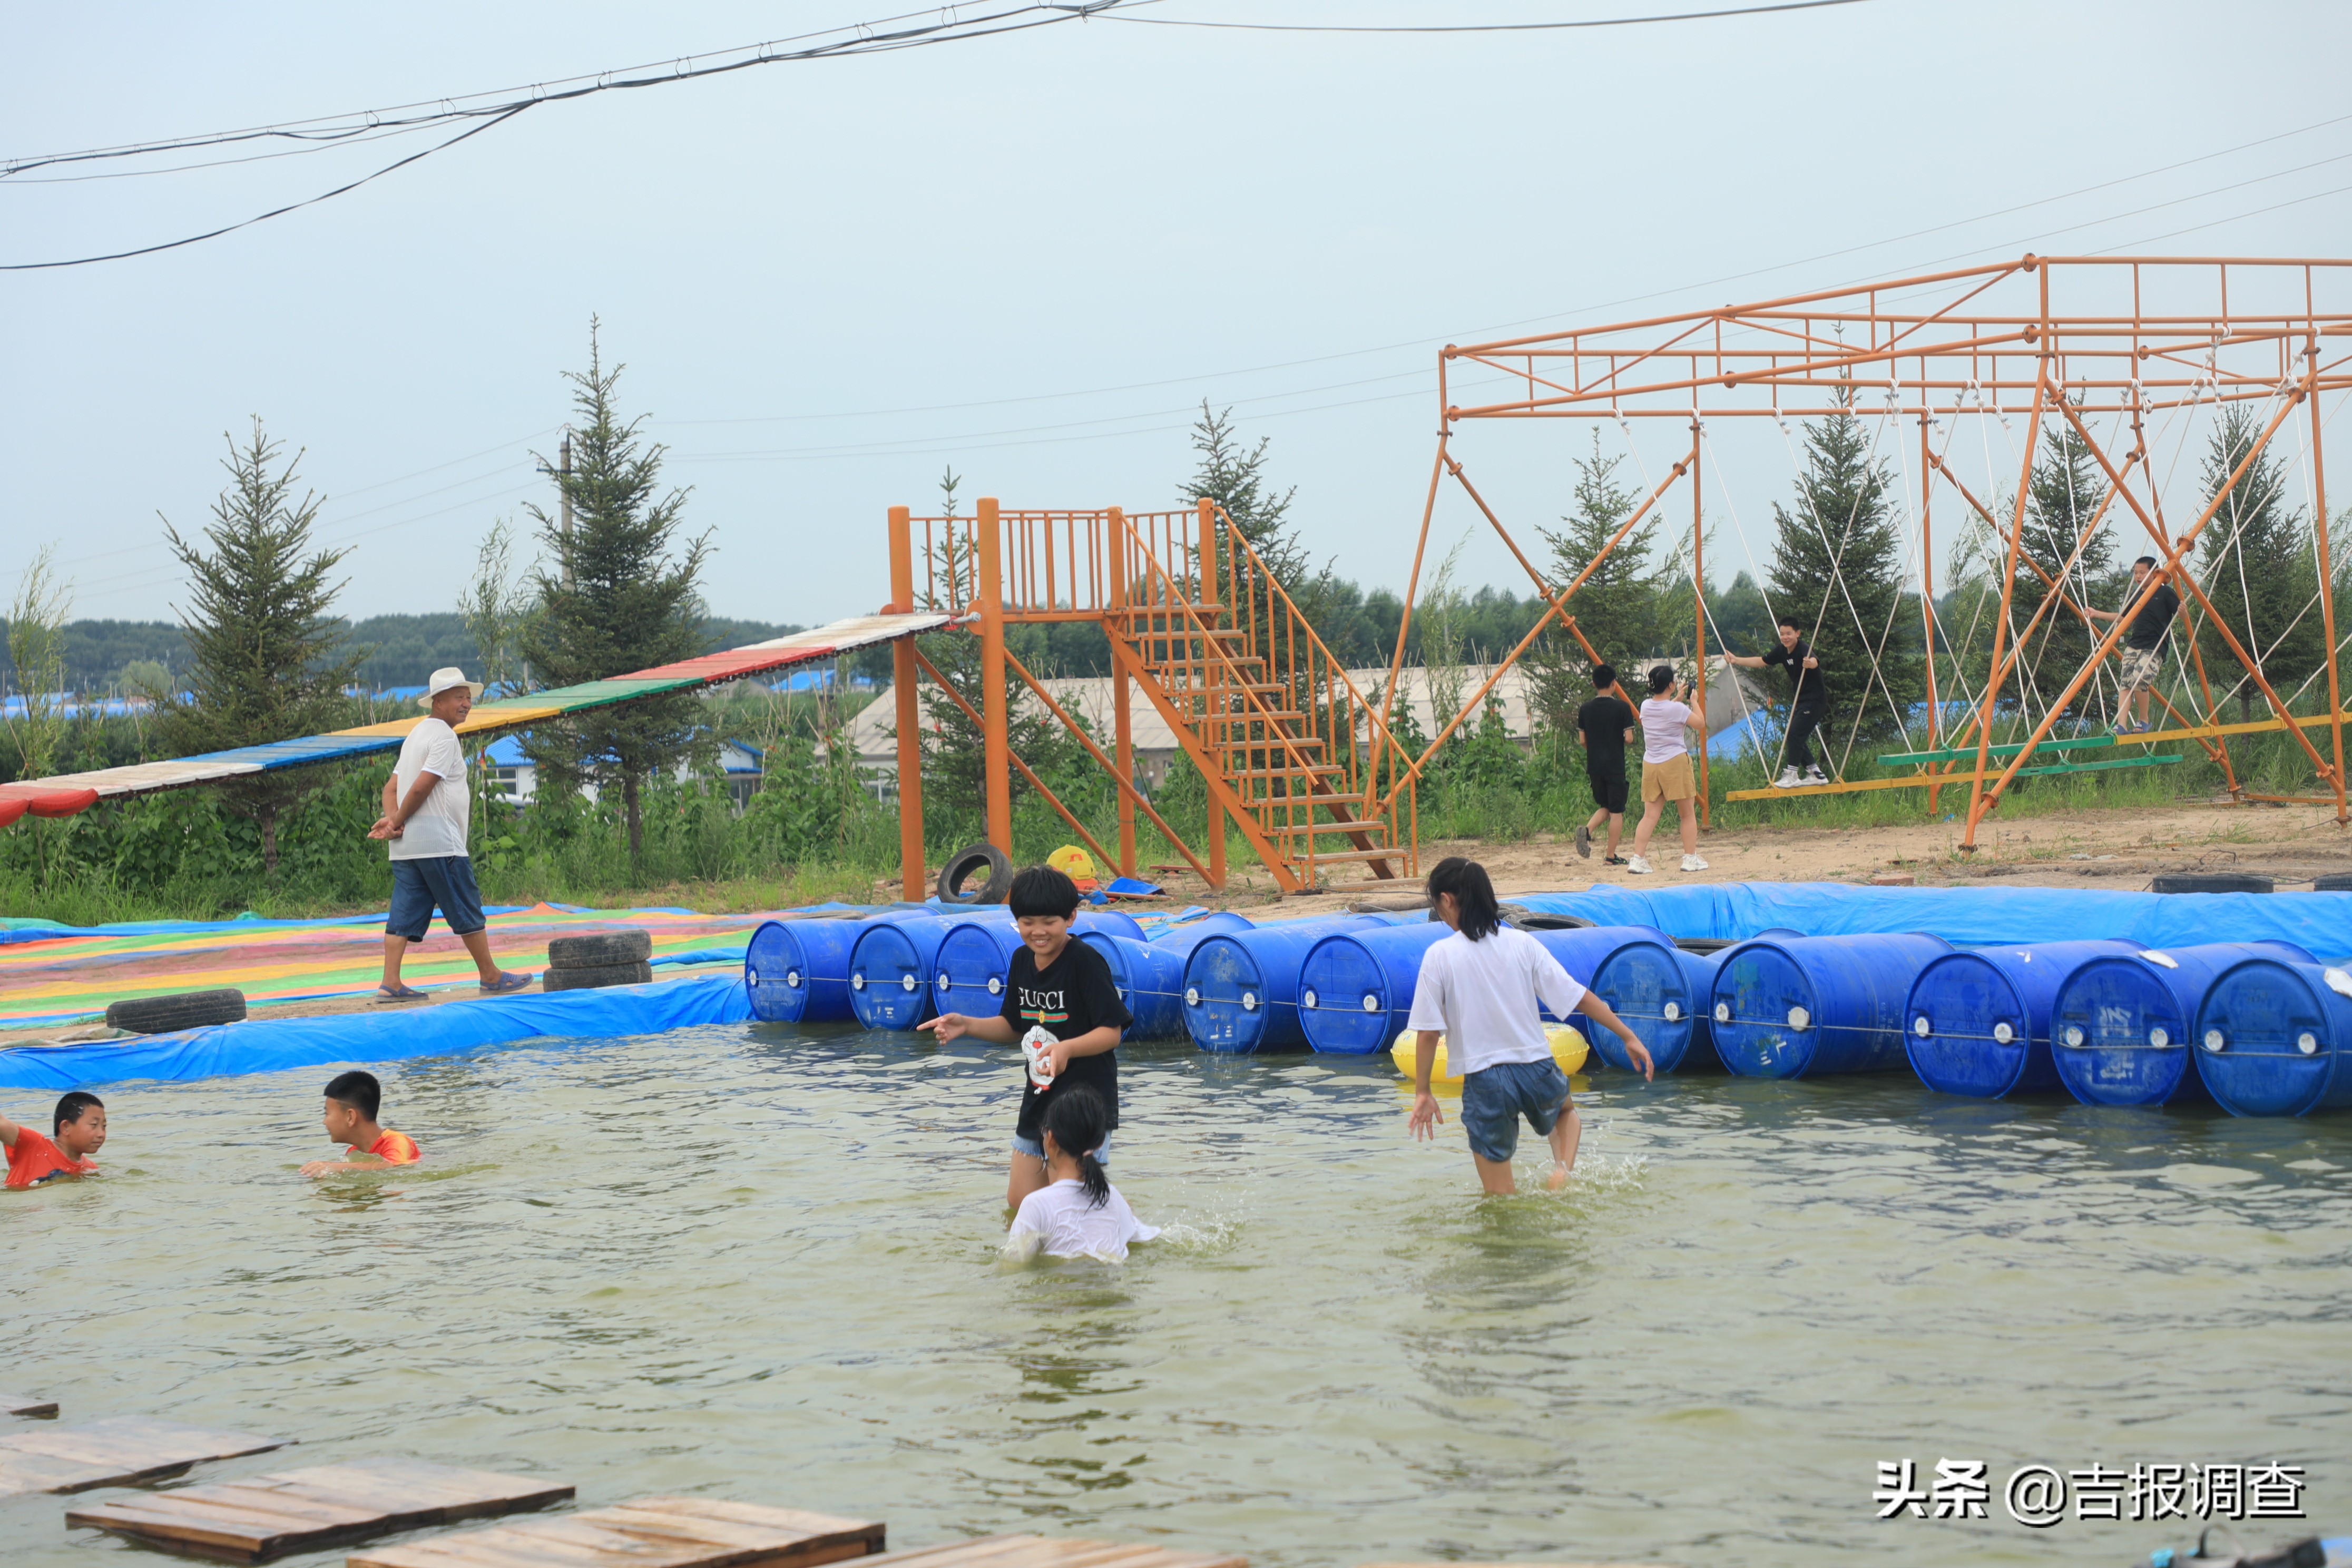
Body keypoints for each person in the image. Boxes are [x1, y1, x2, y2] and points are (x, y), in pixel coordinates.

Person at [1405, 858, 1652, 1194]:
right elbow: (1577, 996)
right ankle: (1561, 1172)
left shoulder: (1440, 955)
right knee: (1566, 1114)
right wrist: (1628, 1035)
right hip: (1536, 1067)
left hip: (1484, 1080)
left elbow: (1429, 1032)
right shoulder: (1522, 944)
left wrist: (1423, 1091)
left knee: (1499, 1196)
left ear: (1447, 900)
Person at [918, 864, 1133, 1209]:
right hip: (1039, 1097)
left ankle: (1114, 1239)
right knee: (1020, 1203)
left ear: (1071, 918)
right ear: (1015, 920)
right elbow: (1014, 1026)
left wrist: (1066, 1050)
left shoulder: (1085, 962)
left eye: (1050, 922)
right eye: (1028, 922)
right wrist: (967, 1025)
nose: (1038, 932)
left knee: (1071, 1206)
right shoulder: (1020, 961)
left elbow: (1112, 1032)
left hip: (1084, 1105)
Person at [367, 666, 533, 1003]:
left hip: (407, 846)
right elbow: (421, 788)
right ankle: (491, 976)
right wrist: (397, 818)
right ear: (438, 701)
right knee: (464, 904)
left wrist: (394, 822)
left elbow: (391, 787)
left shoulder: (415, 735)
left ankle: (391, 983)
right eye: (459, 697)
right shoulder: (443, 737)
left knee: (404, 910)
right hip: (439, 841)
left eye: (469, 698)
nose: (466, 704)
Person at [1003, 1087, 1160, 1262]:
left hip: (1062, 1285)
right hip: (1108, 1283)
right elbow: (1145, 1238)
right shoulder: (1113, 1197)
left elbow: (1013, 1264)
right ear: (1100, 1143)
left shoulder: (1035, 1205)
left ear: (1051, 1140)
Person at [1724, 616, 1828, 787]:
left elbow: (1815, 661)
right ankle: (1816, 773)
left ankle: (1792, 773)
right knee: (1794, 736)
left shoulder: (1803, 649)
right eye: (1782, 634)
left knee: (1795, 734)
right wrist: (1737, 660)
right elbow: (1762, 661)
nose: (1785, 637)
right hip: (1802, 701)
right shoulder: (1782, 651)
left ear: (1797, 634)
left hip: (1815, 700)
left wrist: (1811, 664)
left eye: (1789, 634)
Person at [2086, 555, 2180, 734]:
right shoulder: (2137, 595)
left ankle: (2144, 720)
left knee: (2139, 680)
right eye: (2136, 573)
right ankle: (2121, 725)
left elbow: (2181, 614)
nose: (2138, 576)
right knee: (2126, 684)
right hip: (2134, 644)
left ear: (2154, 573)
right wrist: (2096, 614)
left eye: (2142, 573)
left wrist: (2183, 612)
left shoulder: (2165, 593)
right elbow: (2123, 618)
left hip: (2154, 646)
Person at [1628, 665, 1708, 876]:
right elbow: (1700, 723)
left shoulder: (1645, 706)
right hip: (1675, 762)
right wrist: (1694, 702)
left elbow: (1663, 712)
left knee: (1650, 815)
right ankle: (1690, 858)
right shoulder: (1677, 709)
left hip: (1651, 764)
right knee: (1687, 814)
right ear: (1671, 685)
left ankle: (1638, 859)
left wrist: (1677, 700)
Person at [299, 1070, 423, 1177]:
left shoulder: (398, 1141)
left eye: (327, 1114)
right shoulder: (353, 1153)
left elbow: (394, 1167)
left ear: (350, 1117)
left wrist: (335, 1167)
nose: (324, 1122)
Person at [1573, 664, 1638, 866]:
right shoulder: (1622, 708)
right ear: (1614, 684)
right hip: (1615, 765)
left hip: (1595, 766)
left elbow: (1583, 741)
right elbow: (1629, 738)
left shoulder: (1586, 709)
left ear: (1594, 683)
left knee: (1607, 806)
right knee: (1617, 811)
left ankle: (1587, 831)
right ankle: (1610, 856)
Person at [2, 1092, 105, 1189]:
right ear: (66, 1127)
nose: (101, 1134)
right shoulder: (33, 1145)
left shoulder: (90, 1169)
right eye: (94, 1125)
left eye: (104, 1126)